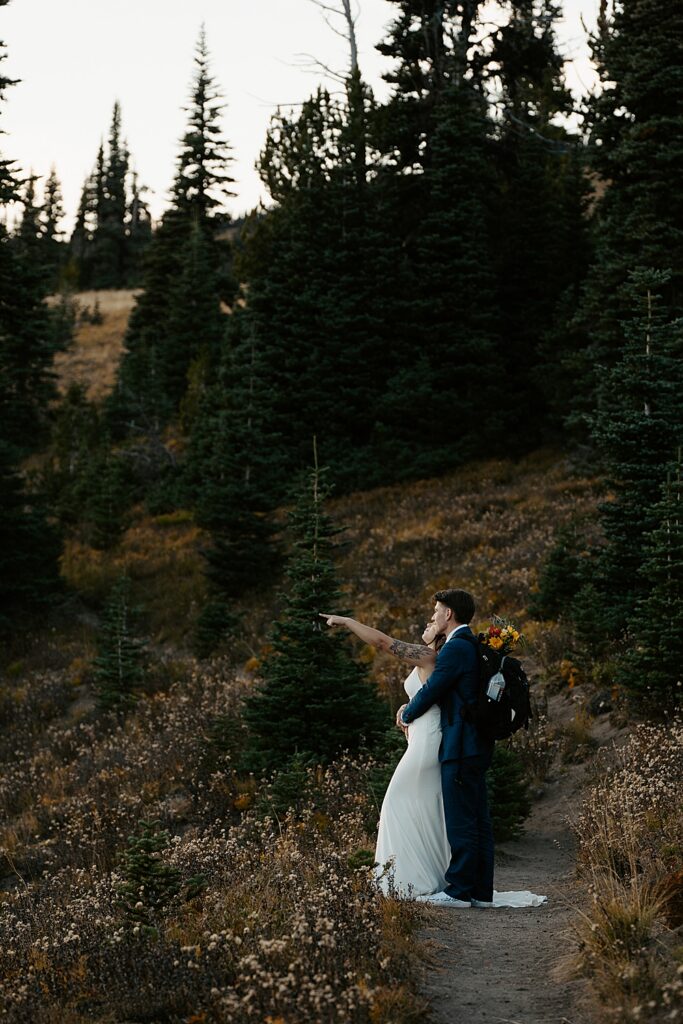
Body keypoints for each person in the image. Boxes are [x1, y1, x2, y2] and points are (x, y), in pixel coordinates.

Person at [321, 590, 547, 909]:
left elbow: (427, 686)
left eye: (436, 611)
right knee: (474, 817)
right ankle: (478, 891)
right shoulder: (460, 647)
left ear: (449, 614)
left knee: (455, 817)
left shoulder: (452, 649)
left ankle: (456, 890)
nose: (432, 617)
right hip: (466, 743)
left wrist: (406, 713)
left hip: (453, 744)